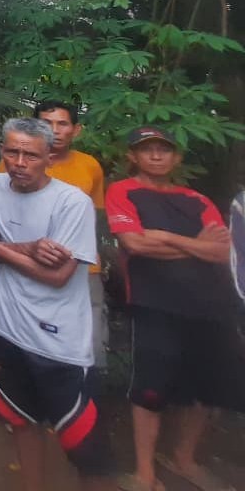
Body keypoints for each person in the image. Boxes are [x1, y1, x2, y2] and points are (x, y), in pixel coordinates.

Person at [0, 118, 115, 491]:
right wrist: (28, 248)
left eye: (30, 155)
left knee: (86, 448)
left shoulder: (73, 204)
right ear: (2, 152)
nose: (19, 162)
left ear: (49, 157)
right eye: (12, 152)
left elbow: (58, 275)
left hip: (59, 345)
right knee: (20, 421)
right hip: (2, 327)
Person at [106, 126, 245, 491]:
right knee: (150, 389)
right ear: (133, 156)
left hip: (212, 306)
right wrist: (193, 244)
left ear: (176, 158)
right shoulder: (122, 191)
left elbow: (221, 252)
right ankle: (144, 473)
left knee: (206, 389)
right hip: (154, 303)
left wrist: (165, 237)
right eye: (146, 149)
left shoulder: (198, 199)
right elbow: (135, 244)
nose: (155, 155)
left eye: (163, 150)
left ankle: (184, 459)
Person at [0, 101, 109, 370]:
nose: (55, 130)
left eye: (63, 124)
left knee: (88, 340)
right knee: (25, 340)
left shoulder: (90, 166)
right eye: (47, 124)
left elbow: (96, 217)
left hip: (83, 267)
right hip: (27, 264)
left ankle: (84, 398)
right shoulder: (12, 164)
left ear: (77, 129)